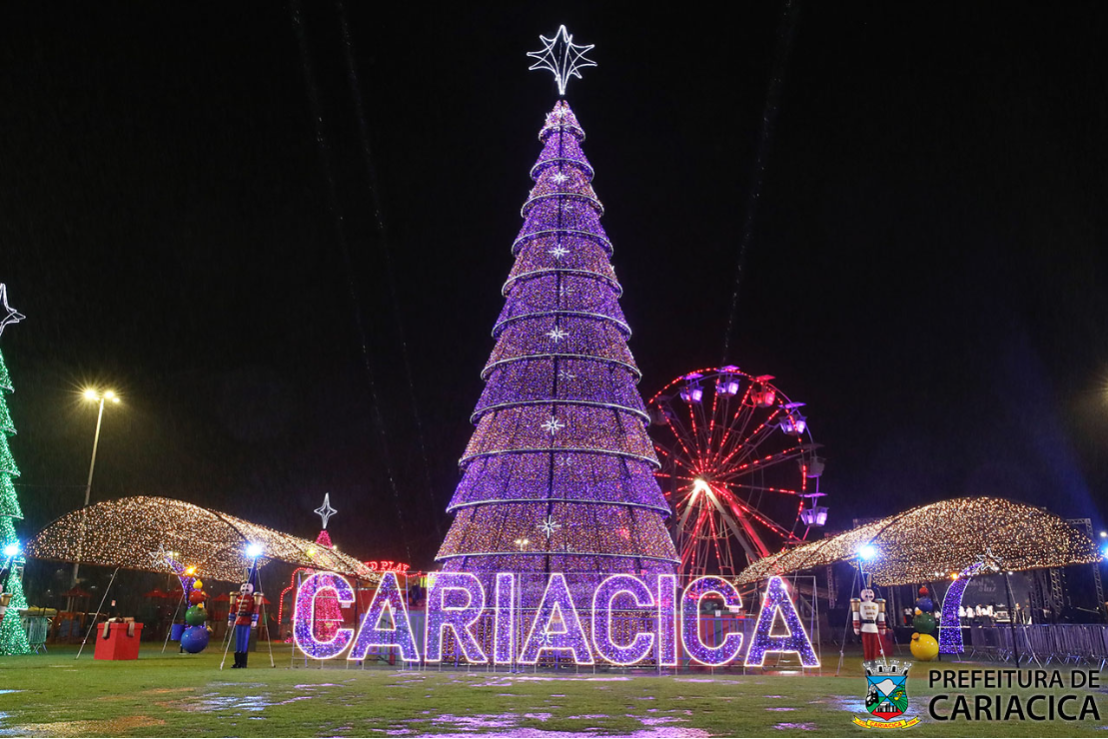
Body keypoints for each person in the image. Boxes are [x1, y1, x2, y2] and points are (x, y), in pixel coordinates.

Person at [227, 580, 262, 668]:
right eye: (243, 587)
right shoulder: (237, 598)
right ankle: (237, 661)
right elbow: (233, 608)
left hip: (247, 620)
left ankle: (243, 662)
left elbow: (255, 609)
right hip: (238, 620)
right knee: (238, 641)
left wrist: (254, 620)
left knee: (244, 641)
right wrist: (231, 619)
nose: (245, 589)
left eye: (247, 587)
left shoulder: (252, 599)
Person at [852, 588, 886, 661]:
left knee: (874, 647)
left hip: (873, 627)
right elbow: (856, 615)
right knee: (867, 646)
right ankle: (868, 661)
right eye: (866, 592)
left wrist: (882, 627)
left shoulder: (877, 605)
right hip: (865, 627)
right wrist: (856, 627)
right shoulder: (860, 604)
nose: (869, 594)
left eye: (871, 592)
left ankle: (873, 661)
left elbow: (881, 616)